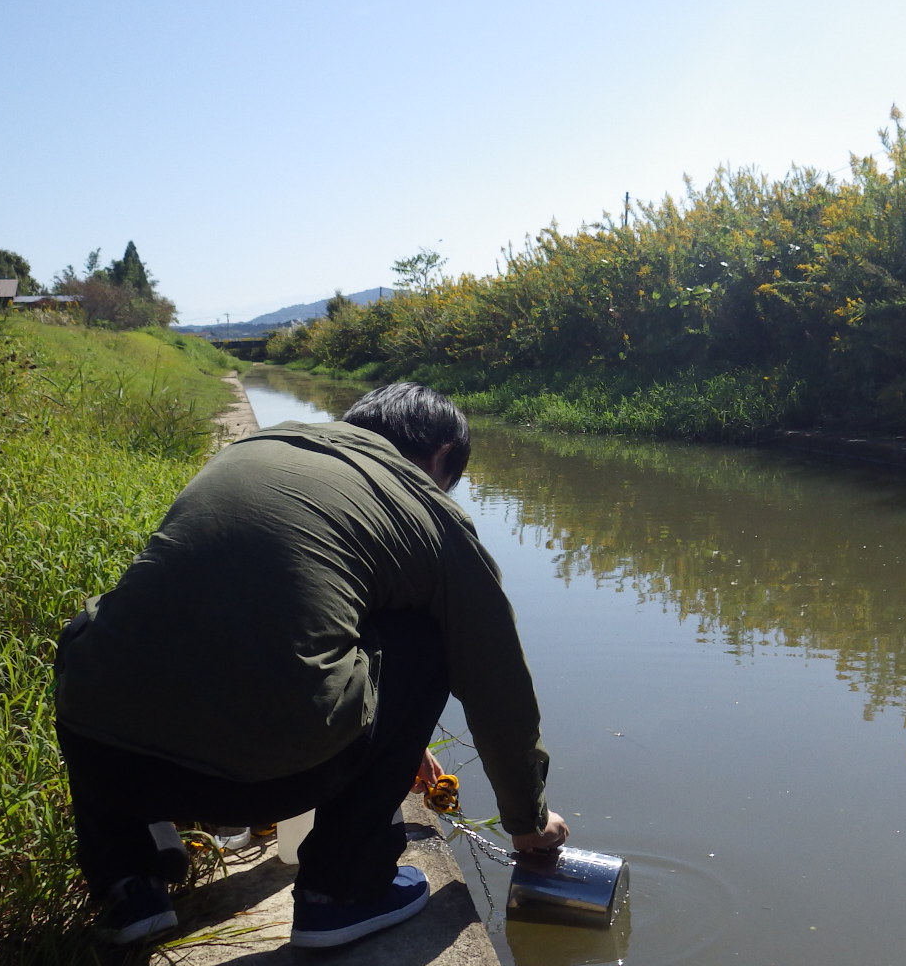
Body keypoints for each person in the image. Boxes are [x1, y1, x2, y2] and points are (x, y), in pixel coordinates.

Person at [53, 382, 569, 947]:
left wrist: (391, 728)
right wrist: (528, 820)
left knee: (99, 631)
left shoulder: (255, 450)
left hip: (114, 765)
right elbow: (498, 685)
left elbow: (258, 611)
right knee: (426, 634)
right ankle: (343, 891)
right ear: (443, 457)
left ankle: (130, 882)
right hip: (271, 779)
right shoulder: (430, 511)